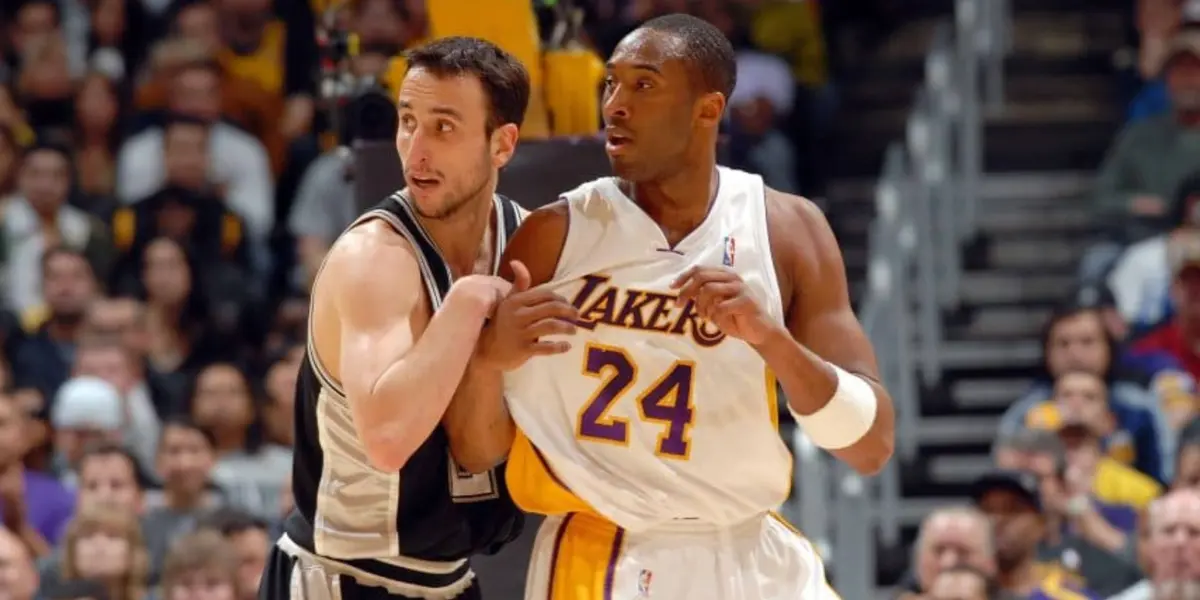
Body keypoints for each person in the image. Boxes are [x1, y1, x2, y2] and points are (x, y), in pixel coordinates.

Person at [456, 14, 895, 599]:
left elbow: (869, 446)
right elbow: (475, 450)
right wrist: (487, 359)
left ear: (708, 109)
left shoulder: (788, 229)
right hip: (607, 550)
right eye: (609, 84)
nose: (614, 105)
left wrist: (771, 340)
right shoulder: (554, 236)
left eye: (643, 85)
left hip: (752, 549)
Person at [258, 37, 538, 600]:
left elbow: (480, 450)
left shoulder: (527, 240)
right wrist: (464, 305)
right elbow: (387, 440)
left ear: (502, 143)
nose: (416, 150)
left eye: (444, 127)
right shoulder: (375, 260)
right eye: (407, 121)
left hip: (452, 578)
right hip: (344, 577)